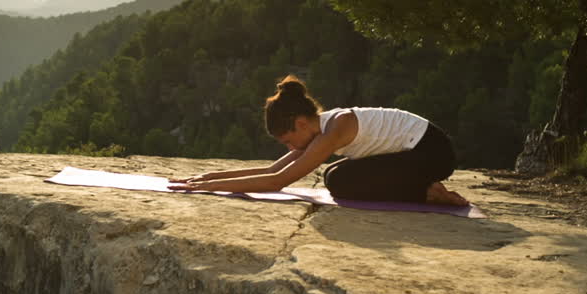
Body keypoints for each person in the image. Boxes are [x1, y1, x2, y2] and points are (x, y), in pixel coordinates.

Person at [168, 75, 470, 206]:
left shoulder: (336, 128)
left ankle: (427, 193)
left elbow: (276, 183)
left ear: (301, 123)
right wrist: (207, 177)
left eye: (289, 139)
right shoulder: (320, 130)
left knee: (341, 182)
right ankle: (422, 187)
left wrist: (208, 188)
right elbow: (274, 170)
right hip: (414, 152)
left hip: (432, 153)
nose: (289, 148)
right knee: (335, 176)